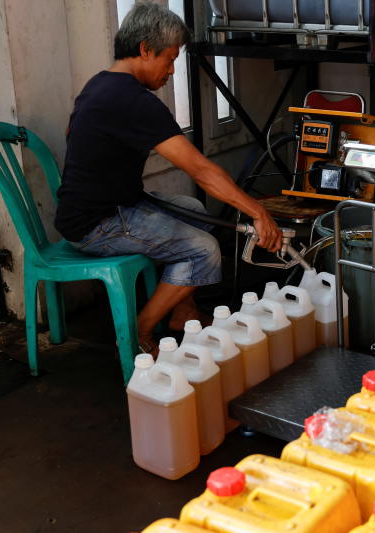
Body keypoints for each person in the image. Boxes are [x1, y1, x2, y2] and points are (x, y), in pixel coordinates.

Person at [55, 1, 282, 354]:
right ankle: (137, 334)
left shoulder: (101, 84)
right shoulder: (134, 102)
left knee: (192, 208)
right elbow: (202, 171)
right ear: (146, 50)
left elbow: (73, 131)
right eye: (170, 59)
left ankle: (182, 310)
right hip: (96, 223)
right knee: (204, 251)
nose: (171, 71)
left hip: (97, 207)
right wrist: (258, 211)